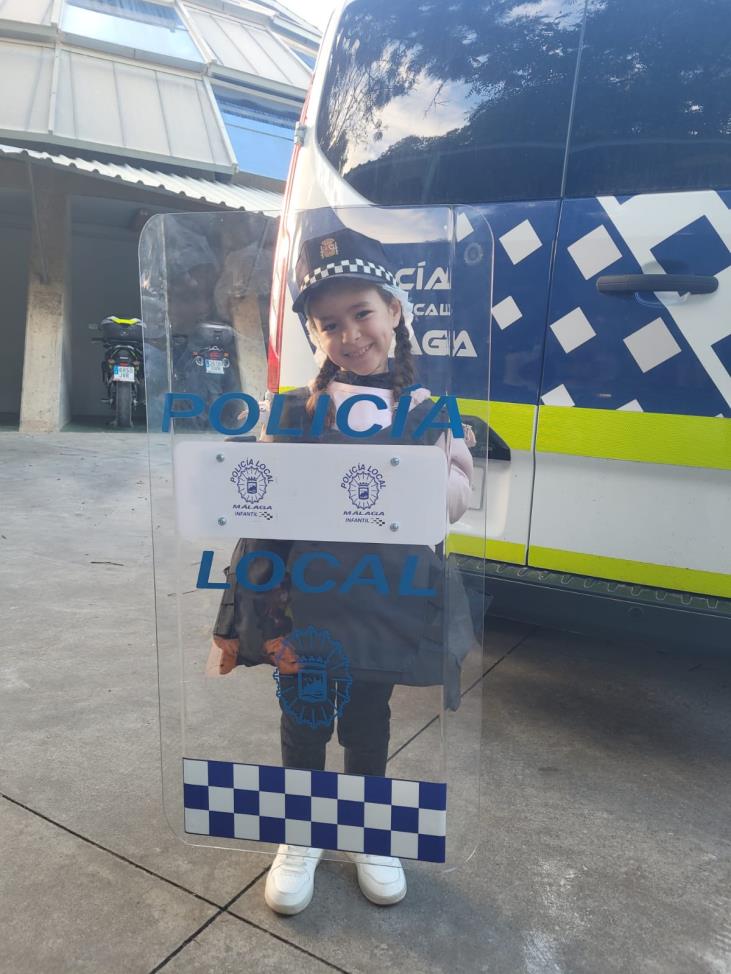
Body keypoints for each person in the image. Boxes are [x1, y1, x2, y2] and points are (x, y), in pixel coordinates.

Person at [211, 227, 475, 916]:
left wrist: (417, 468)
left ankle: (366, 830)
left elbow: (455, 498)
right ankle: (299, 834)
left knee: (366, 721)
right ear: (314, 334)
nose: (350, 334)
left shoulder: (430, 411)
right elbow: (263, 512)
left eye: (362, 313)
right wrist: (238, 612)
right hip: (305, 606)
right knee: (303, 719)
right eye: (330, 323)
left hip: (384, 601)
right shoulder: (294, 410)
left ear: (394, 312)